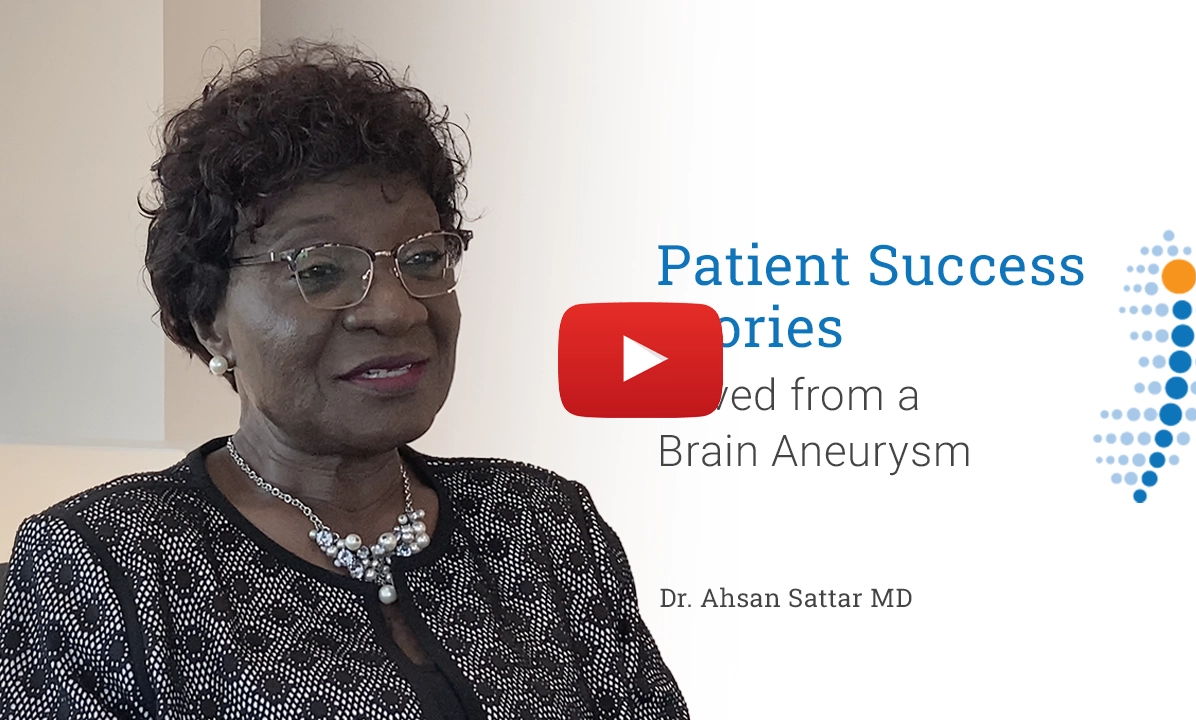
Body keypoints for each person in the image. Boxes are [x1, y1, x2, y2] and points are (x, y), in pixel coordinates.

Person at [0, 43, 687, 719]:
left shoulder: (543, 523)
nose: (395, 309)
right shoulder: (104, 562)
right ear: (209, 322)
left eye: (423, 259)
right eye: (320, 269)